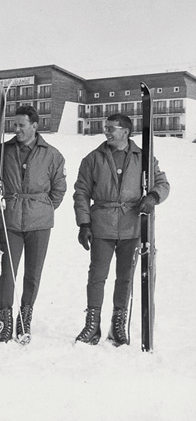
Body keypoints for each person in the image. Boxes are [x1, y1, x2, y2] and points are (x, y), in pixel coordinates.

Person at [73, 113, 169, 346]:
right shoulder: (93, 158)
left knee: (125, 277)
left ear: (125, 131)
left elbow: (162, 183)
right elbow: (81, 193)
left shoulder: (143, 157)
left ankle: (118, 327)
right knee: (97, 276)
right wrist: (84, 224)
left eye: (111, 128)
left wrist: (153, 197)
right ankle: (92, 325)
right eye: (106, 127)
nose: (106, 132)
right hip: (102, 224)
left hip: (132, 226)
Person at [0, 105, 66, 343]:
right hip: (10, 220)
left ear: (35, 126)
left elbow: (59, 188)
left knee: (33, 274)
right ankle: (5, 321)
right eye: (14, 125)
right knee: (8, 272)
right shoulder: (2, 150)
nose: (16, 129)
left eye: (21, 125)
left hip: (40, 223)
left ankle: (24, 318)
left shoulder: (52, 154)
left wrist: (44, 208)